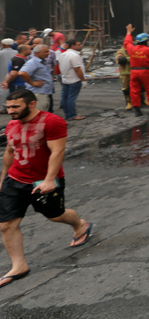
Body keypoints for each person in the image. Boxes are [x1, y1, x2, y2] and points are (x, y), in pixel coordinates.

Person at [0, 89, 94, 288]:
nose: (10, 111)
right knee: (6, 224)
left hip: (42, 182)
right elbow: (9, 151)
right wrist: (3, 178)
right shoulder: (11, 124)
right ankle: (19, 266)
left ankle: (79, 224)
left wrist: (50, 180)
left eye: (15, 106)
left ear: (31, 104)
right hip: (15, 179)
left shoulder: (52, 122)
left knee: (55, 215)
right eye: (8, 107)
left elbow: (57, 151)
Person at [13, 45, 55, 114]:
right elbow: (22, 73)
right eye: (46, 52)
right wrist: (32, 83)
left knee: (42, 114)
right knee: (38, 115)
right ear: (38, 53)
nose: (48, 53)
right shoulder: (33, 62)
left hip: (43, 92)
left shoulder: (41, 62)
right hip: (38, 93)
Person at [56, 39, 87, 121]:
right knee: (71, 98)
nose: (81, 46)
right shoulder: (74, 55)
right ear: (73, 46)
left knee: (65, 98)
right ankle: (72, 115)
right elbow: (77, 69)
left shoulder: (63, 54)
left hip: (66, 79)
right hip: (74, 80)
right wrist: (83, 80)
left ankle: (68, 114)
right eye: (79, 44)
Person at [114, 41, 131, 109]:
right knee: (126, 88)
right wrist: (131, 59)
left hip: (134, 72)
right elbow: (120, 60)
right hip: (125, 74)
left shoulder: (132, 50)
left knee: (139, 88)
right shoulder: (120, 52)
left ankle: (142, 101)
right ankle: (128, 102)